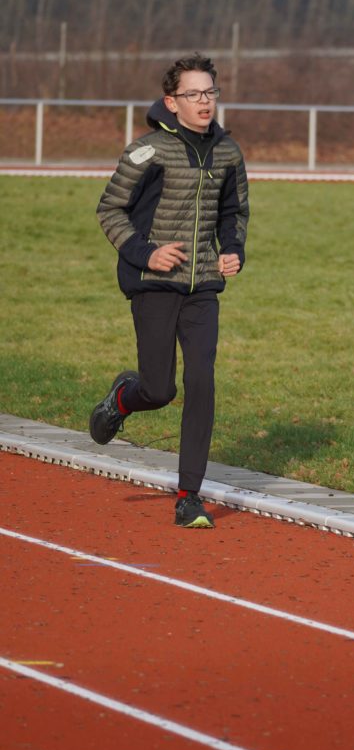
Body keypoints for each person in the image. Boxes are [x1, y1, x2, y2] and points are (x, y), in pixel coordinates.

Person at [89, 52, 249, 528]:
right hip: (154, 283)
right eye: (192, 94)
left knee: (202, 381)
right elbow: (109, 210)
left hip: (202, 286)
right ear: (172, 102)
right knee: (159, 389)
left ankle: (188, 497)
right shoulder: (148, 151)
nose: (204, 101)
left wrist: (233, 250)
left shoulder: (228, 153)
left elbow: (234, 212)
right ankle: (122, 399)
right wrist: (146, 253)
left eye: (210, 92)